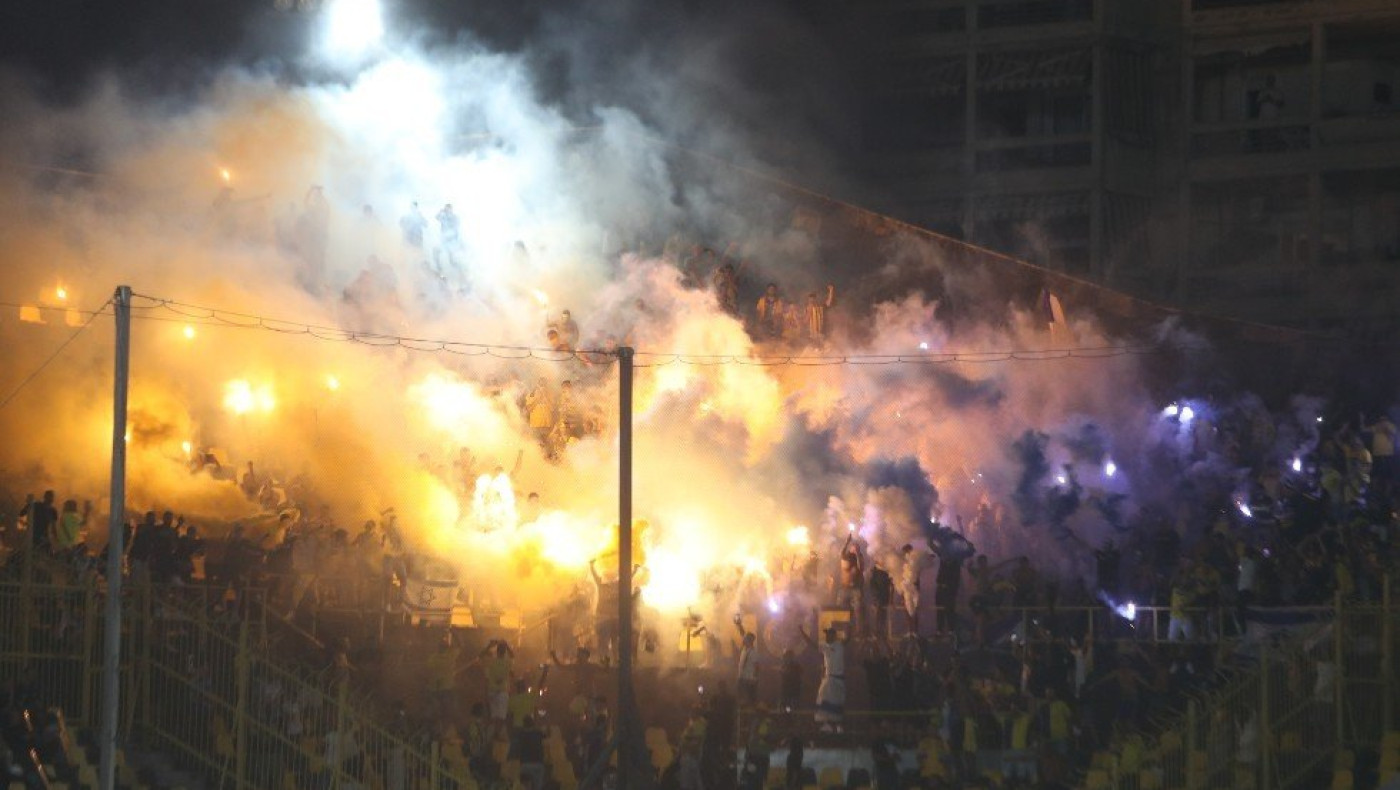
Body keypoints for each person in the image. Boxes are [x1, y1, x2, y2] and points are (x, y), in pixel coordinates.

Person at [799, 624, 848, 732]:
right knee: (823, 700)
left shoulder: (839, 645)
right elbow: (811, 644)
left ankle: (838, 726)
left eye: (828, 634)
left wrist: (849, 628)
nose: (826, 636)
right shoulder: (824, 646)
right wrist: (802, 632)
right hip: (828, 679)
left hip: (837, 680)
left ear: (833, 636)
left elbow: (848, 639)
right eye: (826, 634)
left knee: (837, 702)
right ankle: (827, 725)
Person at [482, 640, 515, 730]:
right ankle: (497, 733)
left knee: (493, 716)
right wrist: (507, 645)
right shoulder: (507, 662)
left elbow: (482, 655)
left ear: (497, 651)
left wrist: (489, 645)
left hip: (491, 691)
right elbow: (513, 656)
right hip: (503, 692)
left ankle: (492, 733)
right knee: (501, 717)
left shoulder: (491, 661)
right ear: (505, 652)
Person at [740, 706, 773, 790]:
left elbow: (755, 738)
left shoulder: (760, 723)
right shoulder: (764, 723)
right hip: (759, 755)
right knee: (757, 780)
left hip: (756, 755)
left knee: (753, 779)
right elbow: (761, 738)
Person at [513, 715, 546, 790]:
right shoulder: (538, 733)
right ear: (533, 724)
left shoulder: (520, 734)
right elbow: (547, 734)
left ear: (523, 724)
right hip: (538, 764)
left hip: (525, 764)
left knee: (525, 787)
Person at [733, 617, 760, 706]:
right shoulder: (745, 649)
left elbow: (757, 666)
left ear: (750, 641)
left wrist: (754, 679)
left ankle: (751, 710)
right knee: (741, 698)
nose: (744, 640)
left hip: (749, 679)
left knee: (750, 699)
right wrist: (739, 624)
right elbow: (742, 634)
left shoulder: (753, 652)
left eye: (746, 639)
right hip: (742, 677)